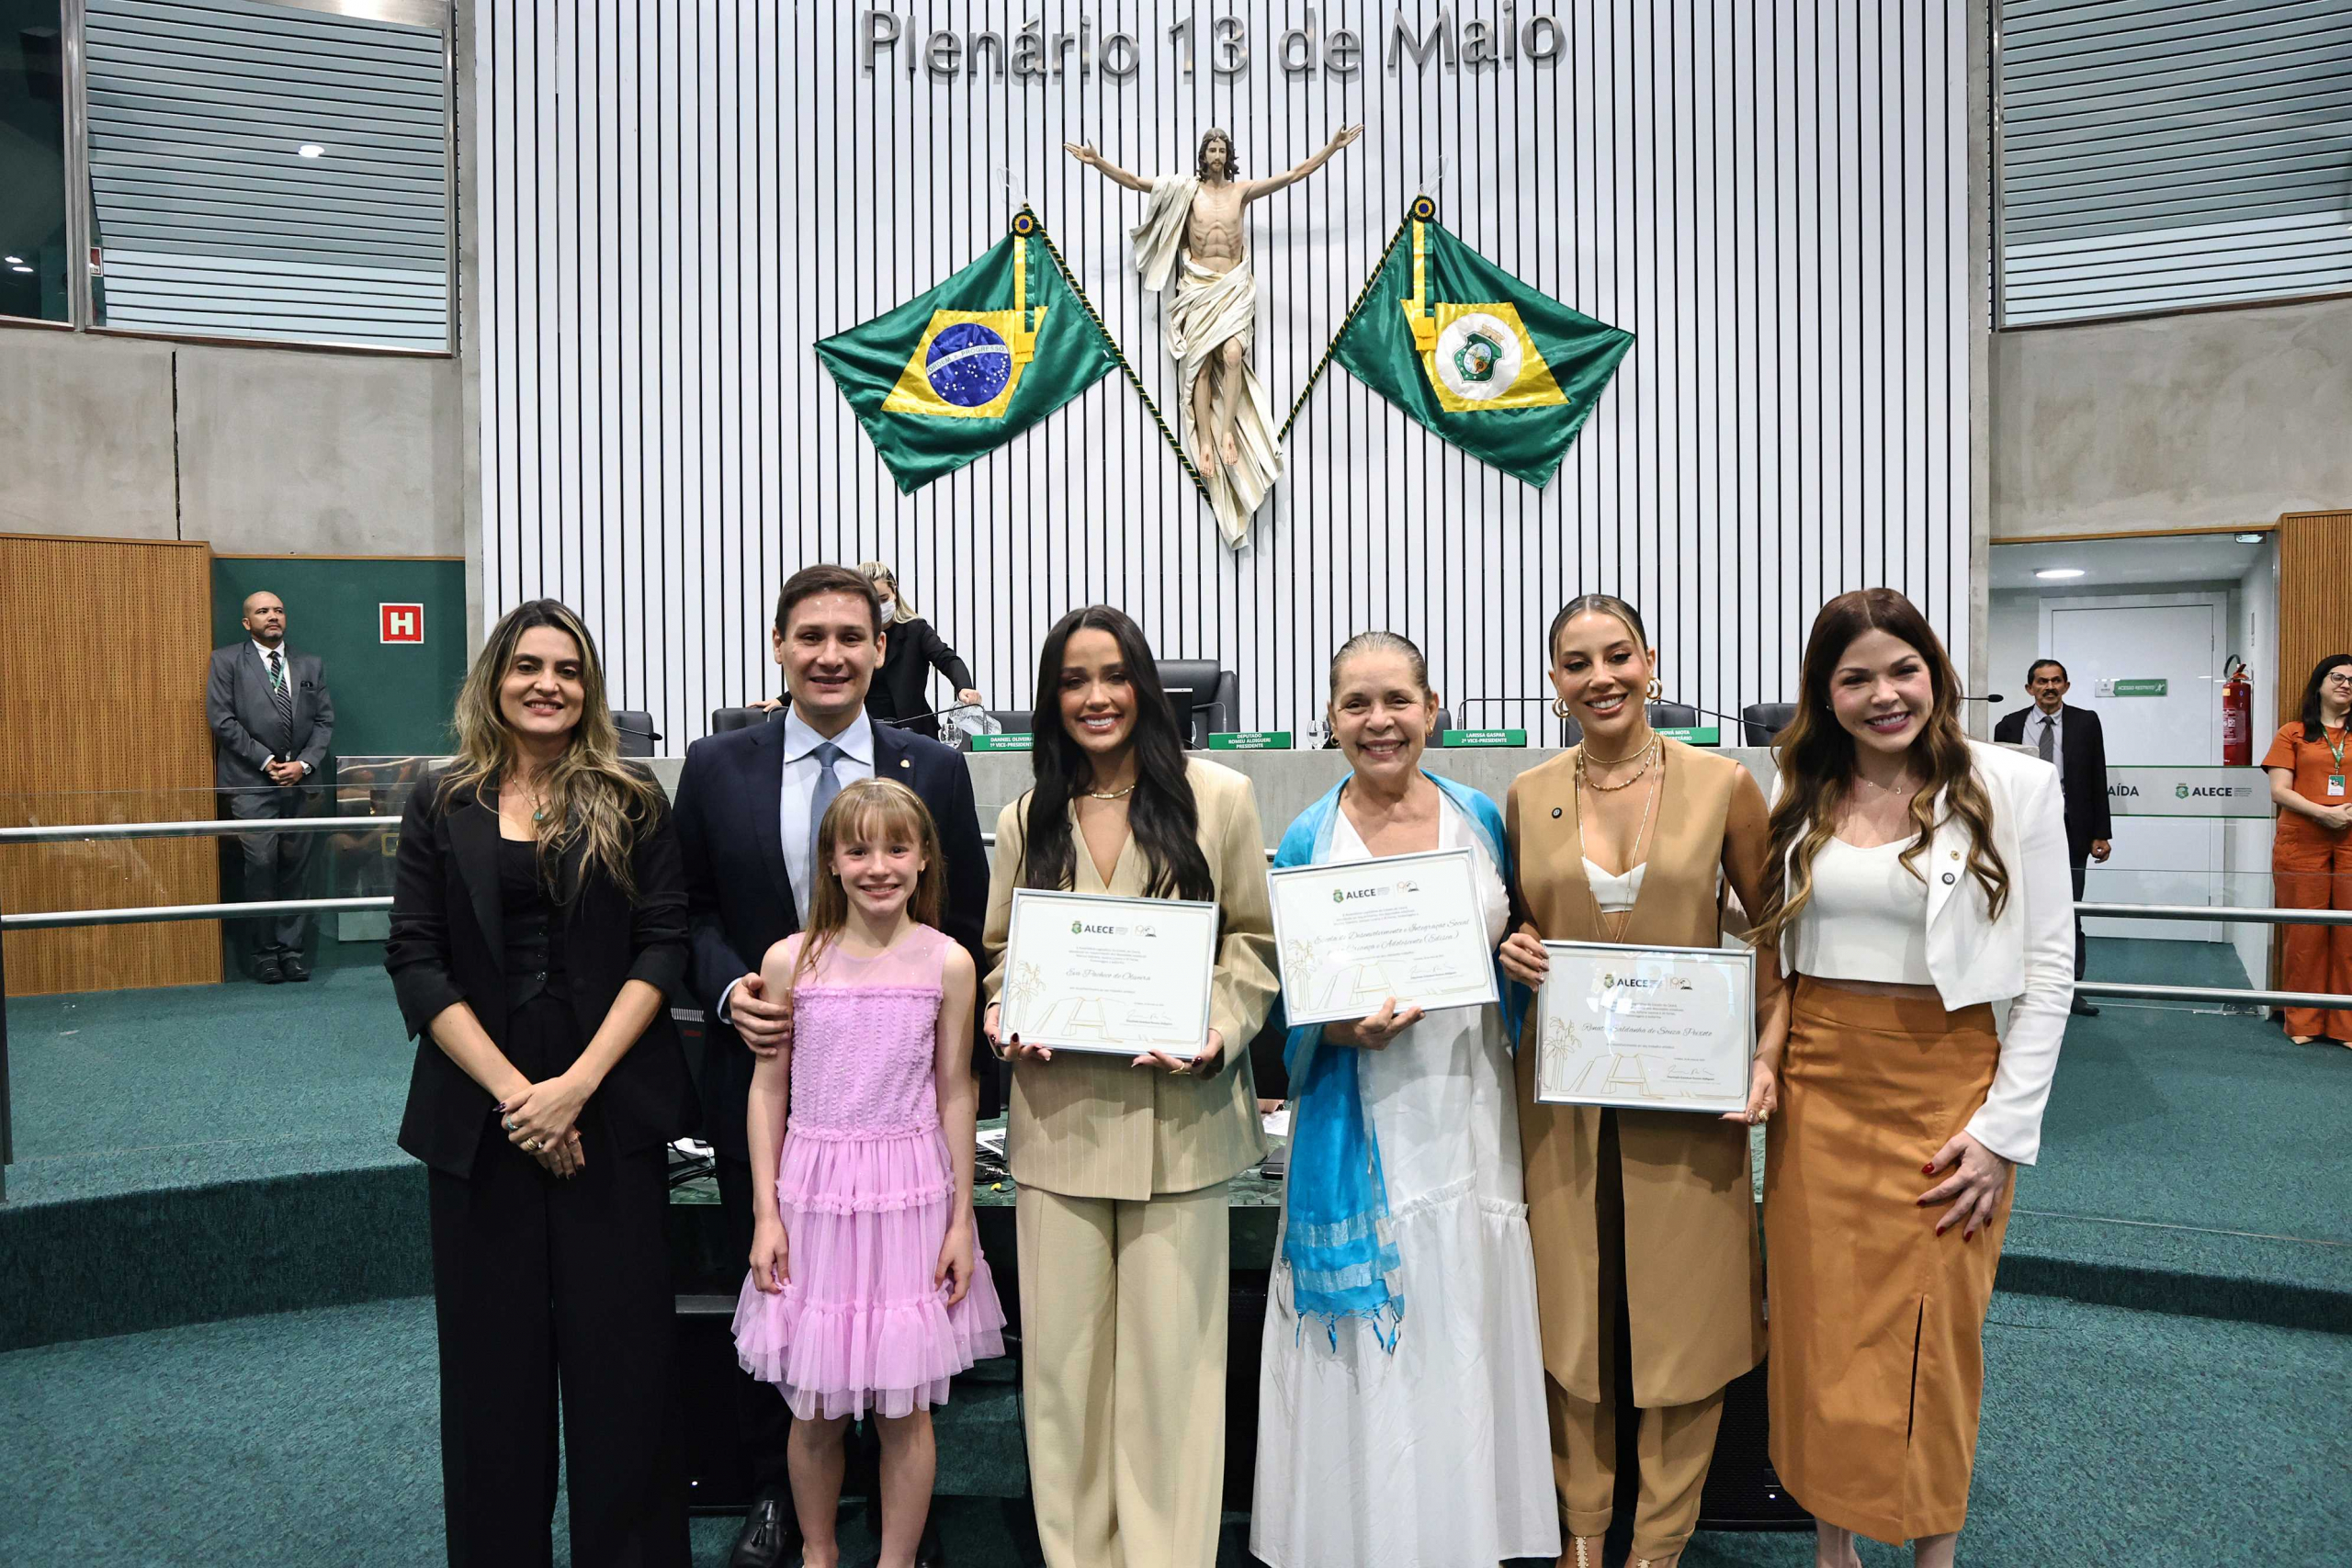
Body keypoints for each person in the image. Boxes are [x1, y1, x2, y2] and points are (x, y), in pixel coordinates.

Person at [671, 563, 988, 1568]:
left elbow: (962, 919)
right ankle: (782, 1502)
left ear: (881, 649)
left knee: (899, 1348)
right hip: (773, 1094)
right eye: (809, 636)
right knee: (785, 1319)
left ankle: (900, 1528)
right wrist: (732, 992)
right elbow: (686, 910)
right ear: (779, 645)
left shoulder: (932, 767)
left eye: (851, 637)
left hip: (899, 1125)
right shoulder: (715, 765)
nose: (830, 655)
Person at [1748, 589, 2072, 1568]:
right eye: (1856, 679)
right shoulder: (1798, 784)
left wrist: (2002, 1132)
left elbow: (2050, 969)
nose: (1884, 695)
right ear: (1825, 693)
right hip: (1819, 1088)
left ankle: (1936, 1552)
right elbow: (1776, 946)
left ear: (1935, 673)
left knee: (1937, 1334)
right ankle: (1832, 1546)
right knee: (1820, 1327)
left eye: (1903, 670)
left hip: (1946, 1087)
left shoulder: (2013, 785)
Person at [384, 599, 695, 1567]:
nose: (546, 684)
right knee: (492, 1378)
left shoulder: (633, 798)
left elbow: (663, 944)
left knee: (625, 1369)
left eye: (567, 669)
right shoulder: (441, 801)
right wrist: (523, 1099)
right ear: (495, 679)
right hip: (480, 1115)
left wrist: (576, 1089)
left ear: (588, 689)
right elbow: (416, 959)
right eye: (527, 665)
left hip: (610, 1104)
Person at [980, 604, 1279, 1568]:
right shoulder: (1028, 814)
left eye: (1113, 676)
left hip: (1179, 1125)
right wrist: (1003, 1007)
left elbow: (1253, 941)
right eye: (1074, 681)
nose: (1096, 697)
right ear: (1051, 699)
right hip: (1060, 1121)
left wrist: (1218, 1028)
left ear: (1145, 687)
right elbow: (1001, 951)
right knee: (1062, 1381)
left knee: (1171, 1377)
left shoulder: (1219, 797)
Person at [1251, 632, 1556, 1568]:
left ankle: (1465, 1536)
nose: (1378, 721)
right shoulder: (1308, 836)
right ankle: (1363, 1539)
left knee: (1462, 1312)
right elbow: (1291, 1001)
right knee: (1377, 1338)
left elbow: (1518, 936)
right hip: (1365, 1119)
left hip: (1471, 1110)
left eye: (1396, 701)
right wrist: (1338, 1030)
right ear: (1330, 717)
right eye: (1356, 704)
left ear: (1432, 709)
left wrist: (1520, 957)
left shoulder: (1480, 817)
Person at [1494, 595, 1781, 1568]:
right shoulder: (1528, 794)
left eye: (1617, 655)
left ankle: (1658, 1540)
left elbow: (1773, 941)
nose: (1601, 677)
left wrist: (1766, 1054)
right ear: (1554, 681)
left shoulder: (1722, 784)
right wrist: (1514, 946)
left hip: (1687, 1088)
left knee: (1685, 1317)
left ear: (1650, 661)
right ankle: (1581, 1529)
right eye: (1577, 663)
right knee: (1570, 1313)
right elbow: (1519, 922)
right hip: (1564, 1095)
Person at [732, 779, 1007, 1568]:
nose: (878, 866)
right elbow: (768, 1090)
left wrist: (960, 1219)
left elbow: (956, 1091)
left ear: (923, 859)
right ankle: (819, 1552)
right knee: (815, 1405)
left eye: (896, 848)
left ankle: (895, 1560)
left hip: (910, 1197)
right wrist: (766, 1214)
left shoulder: (949, 963)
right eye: (858, 850)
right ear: (831, 861)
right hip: (814, 1198)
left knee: (904, 1408)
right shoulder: (791, 959)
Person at [207, 589, 334, 982]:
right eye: (263, 611)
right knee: (261, 865)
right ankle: (263, 954)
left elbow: (324, 722)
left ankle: (291, 952)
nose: (272, 616)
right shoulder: (226, 661)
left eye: (278, 610)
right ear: (248, 622)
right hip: (251, 784)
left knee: (297, 869)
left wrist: (304, 764)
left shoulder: (310, 664)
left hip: (301, 785)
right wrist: (266, 761)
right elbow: (222, 720)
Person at [1993, 660, 2111, 1016]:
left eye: (2056, 681)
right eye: (2042, 681)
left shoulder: (2085, 722)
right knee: (2019, 908)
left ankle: (2070, 990)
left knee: (2069, 910)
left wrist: (2101, 833)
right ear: (2029, 688)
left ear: (2066, 686)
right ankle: (2017, 985)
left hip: (2072, 829)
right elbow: (1998, 781)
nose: (2049, 687)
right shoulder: (2009, 725)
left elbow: (2098, 776)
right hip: (2021, 829)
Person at [2263, 653, 2352, 1044]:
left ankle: (2346, 1024)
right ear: (2319, 684)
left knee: (2349, 935)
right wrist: (2323, 813)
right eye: (2338, 677)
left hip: (2351, 838)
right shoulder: (2293, 732)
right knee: (2305, 933)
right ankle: (2303, 1021)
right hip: (2302, 838)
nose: (2346, 684)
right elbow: (2279, 790)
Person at [855, 560, 986, 741]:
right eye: (870, 602)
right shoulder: (851, 636)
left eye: (884, 599)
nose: (878, 608)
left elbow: (947, 659)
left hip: (915, 731)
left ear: (894, 592)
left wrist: (964, 686)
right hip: (863, 732)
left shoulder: (916, 630)